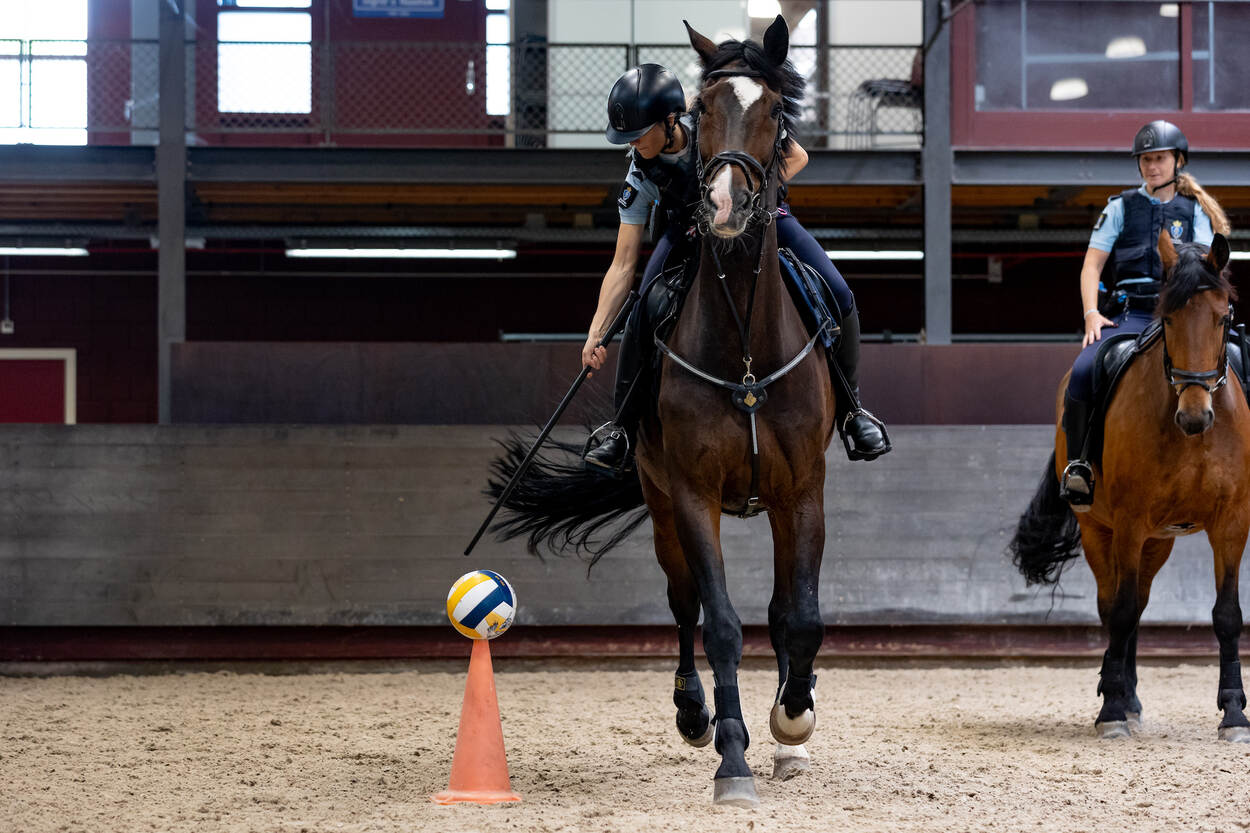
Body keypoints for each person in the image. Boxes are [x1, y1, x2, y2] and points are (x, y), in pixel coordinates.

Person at [580, 62, 890, 474]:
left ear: (670, 120)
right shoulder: (640, 171)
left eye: (639, 133)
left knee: (839, 292)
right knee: (642, 311)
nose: (632, 143)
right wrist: (596, 331)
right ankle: (621, 429)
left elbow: (798, 156)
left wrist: (751, 197)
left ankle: (852, 410)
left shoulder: (714, 123)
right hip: (687, 231)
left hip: (763, 218)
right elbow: (622, 264)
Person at [1059, 119, 1231, 508]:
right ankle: (1079, 465)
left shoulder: (1196, 211)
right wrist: (1091, 313)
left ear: (1178, 161)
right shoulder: (1119, 207)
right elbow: (1091, 266)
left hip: (1184, 315)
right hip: (1132, 314)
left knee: (1240, 360)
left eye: (1160, 159)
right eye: (1146, 160)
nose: (1152, 166)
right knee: (1084, 369)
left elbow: (1208, 270)